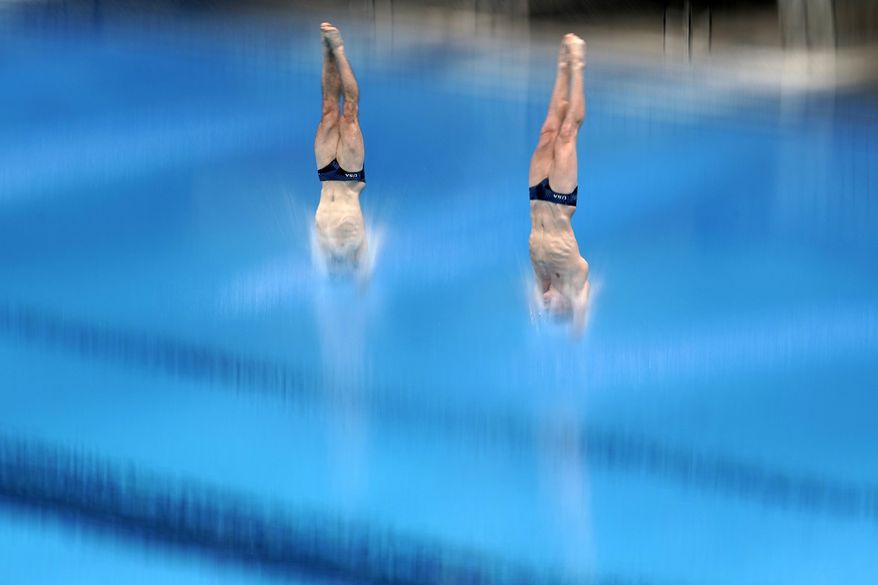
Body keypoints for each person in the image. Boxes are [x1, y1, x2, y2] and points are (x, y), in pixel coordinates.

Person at [528, 33, 590, 333]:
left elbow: (537, 308)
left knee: (548, 130)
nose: (547, 307)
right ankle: (577, 63)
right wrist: (578, 329)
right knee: (567, 134)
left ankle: (561, 65)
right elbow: (585, 297)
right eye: (554, 311)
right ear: (567, 304)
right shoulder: (575, 278)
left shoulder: (543, 281)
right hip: (559, 203)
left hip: (536, 199)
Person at [313, 22, 368, 275]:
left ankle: (330, 50)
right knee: (349, 113)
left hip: (330, 178)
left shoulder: (334, 256)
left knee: (330, 111)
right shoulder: (355, 247)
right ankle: (338, 50)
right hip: (348, 177)